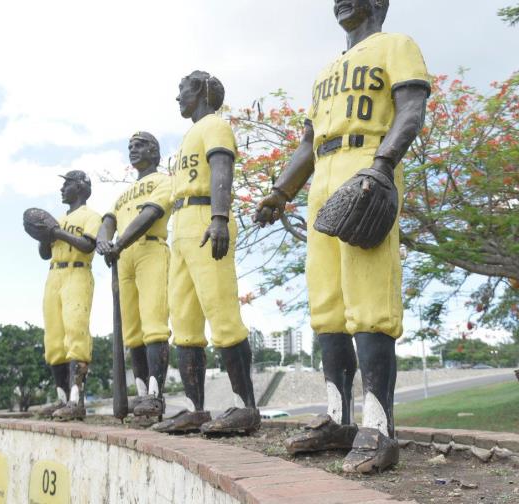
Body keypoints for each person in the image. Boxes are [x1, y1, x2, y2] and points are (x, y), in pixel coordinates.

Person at [254, 0, 430, 473]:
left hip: (366, 162)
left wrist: (383, 166)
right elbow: (307, 142)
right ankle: (338, 418)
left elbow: (411, 111)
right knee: (327, 304)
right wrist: (280, 192)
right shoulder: (327, 71)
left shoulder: (396, 45)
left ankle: (379, 428)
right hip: (324, 176)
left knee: (369, 300)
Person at [151, 71, 259, 435]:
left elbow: (221, 167)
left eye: (183, 90)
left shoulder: (214, 125)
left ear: (201, 92)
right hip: (182, 222)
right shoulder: (189, 135)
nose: (178, 97)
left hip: (204, 215)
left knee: (221, 310)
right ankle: (196, 408)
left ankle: (245, 406)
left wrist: (219, 217)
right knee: (183, 320)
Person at [96, 132, 173, 424]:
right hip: (123, 258)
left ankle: (155, 394)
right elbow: (109, 221)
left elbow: (150, 215)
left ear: (154, 151)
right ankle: (142, 393)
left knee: (154, 323)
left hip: (150, 249)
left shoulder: (163, 181)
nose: (133, 150)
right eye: (130, 146)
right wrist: (104, 242)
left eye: (139, 145)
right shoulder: (123, 194)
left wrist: (118, 243)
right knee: (132, 331)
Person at [36, 170, 101, 421]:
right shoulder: (58, 219)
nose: (62, 189)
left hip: (78, 272)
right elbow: (44, 254)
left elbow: (88, 244)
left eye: (67, 184)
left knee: (76, 331)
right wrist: (43, 235)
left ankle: (76, 401)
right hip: (54, 274)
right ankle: (62, 399)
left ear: (81, 187)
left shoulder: (90, 216)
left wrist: (57, 232)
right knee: (53, 339)